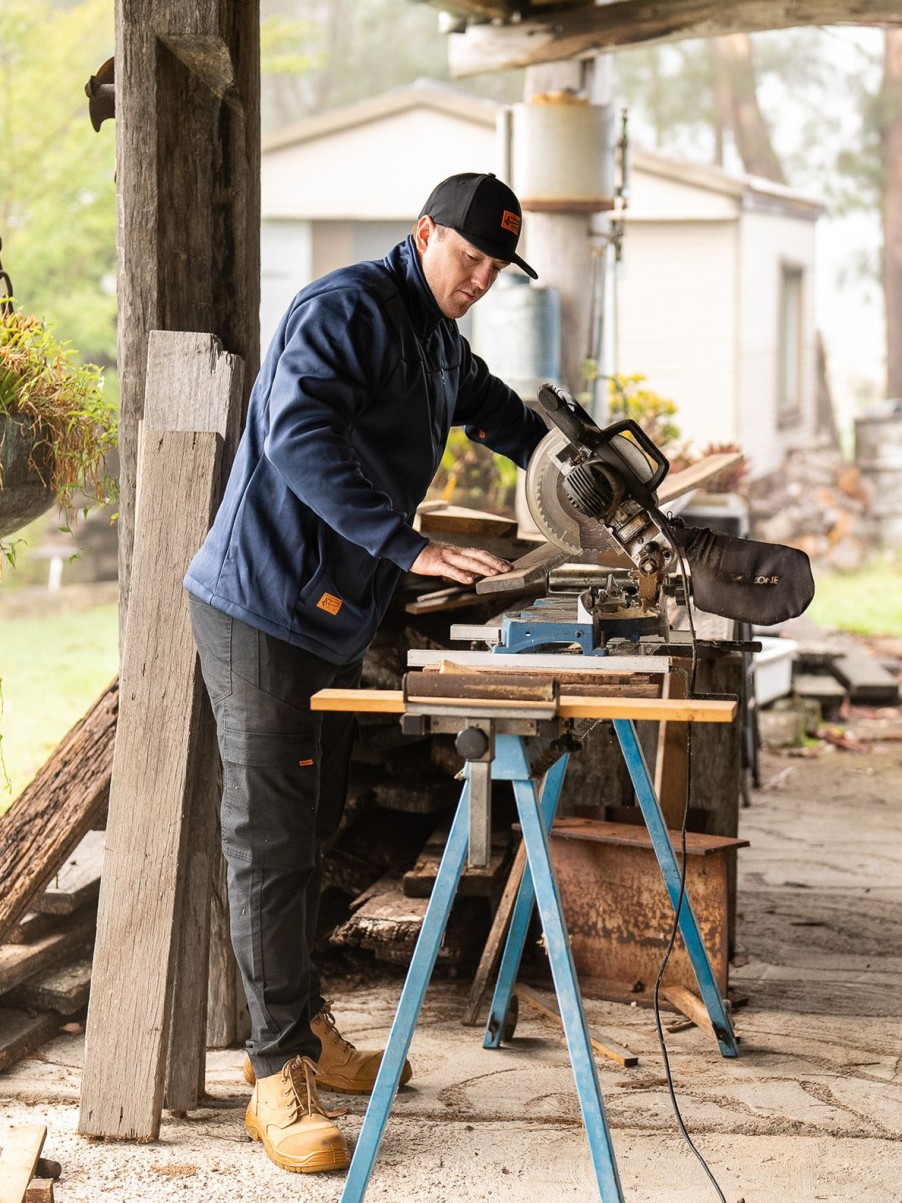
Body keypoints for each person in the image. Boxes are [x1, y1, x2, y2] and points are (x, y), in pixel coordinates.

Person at [184, 172, 547, 1175]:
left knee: (312, 827)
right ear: (423, 233)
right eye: (467, 256)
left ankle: (302, 1028)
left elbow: (503, 418)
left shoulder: (435, 338)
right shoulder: (344, 311)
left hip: (329, 617)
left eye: (495, 267)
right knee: (267, 841)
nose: (479, 278)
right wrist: (407, 543)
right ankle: (273, 1078)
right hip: (260, 606)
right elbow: (296, 436)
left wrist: (581, 461)